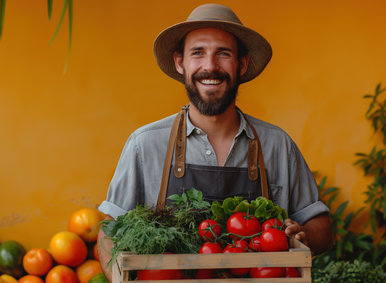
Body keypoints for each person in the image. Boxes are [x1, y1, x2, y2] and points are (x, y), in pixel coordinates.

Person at [97, 3, 333, 280]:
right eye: (198, 53)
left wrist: (303, 234)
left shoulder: (278, 145)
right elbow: (109, 231)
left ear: (241, 64)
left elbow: (322, 226)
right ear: (180, 62)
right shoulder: (144, 145)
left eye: (223, 53)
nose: (210, 66)